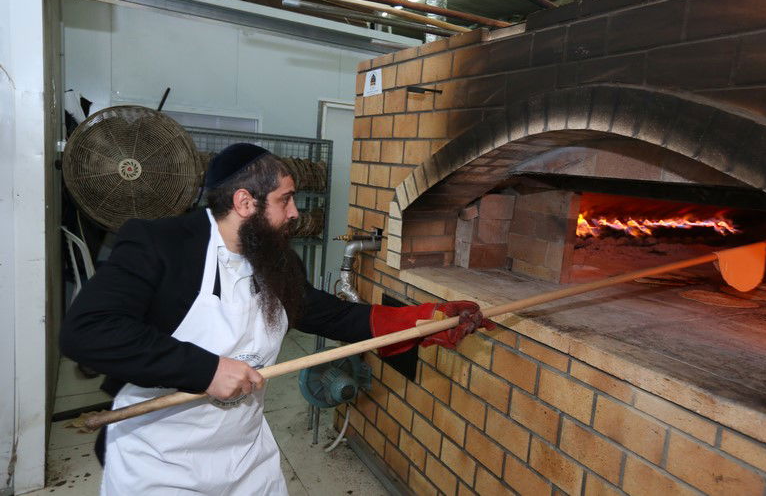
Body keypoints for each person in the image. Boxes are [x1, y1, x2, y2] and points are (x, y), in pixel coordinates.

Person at [60, 143, 494, 495]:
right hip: (161, 455)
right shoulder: (161, 245)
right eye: (285, 200)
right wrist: (206, 370)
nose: (295, 214)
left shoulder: (275, 259)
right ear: (245, 201)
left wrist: (423, 320)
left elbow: (328, 314)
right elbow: (88, 331)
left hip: (243, 450)